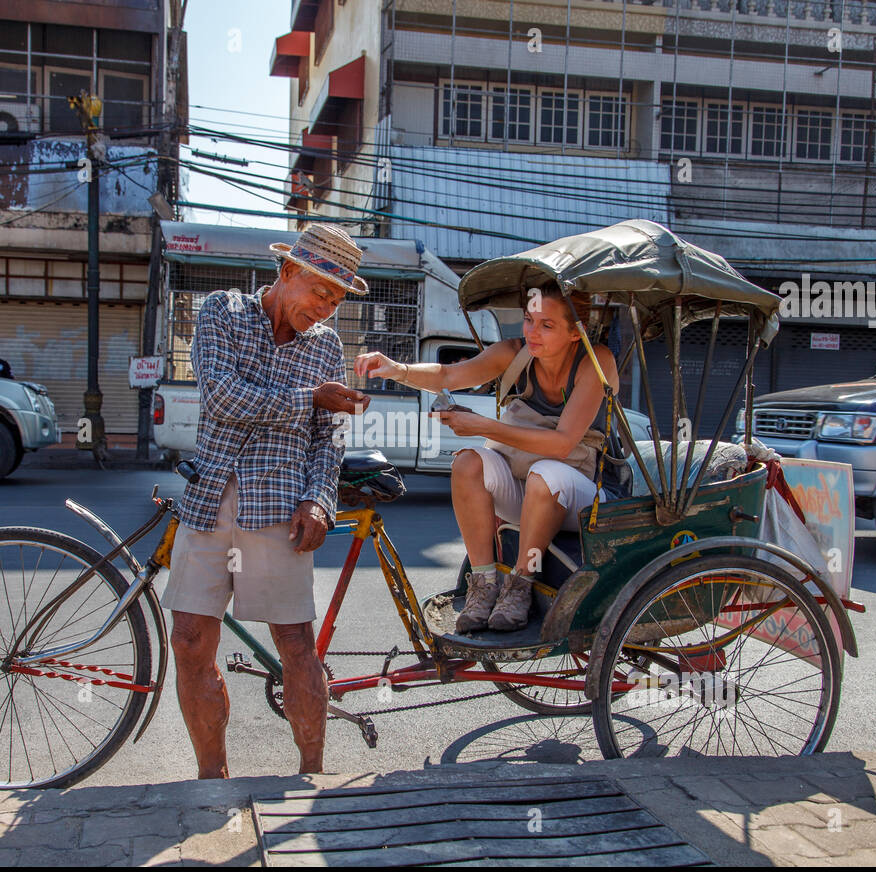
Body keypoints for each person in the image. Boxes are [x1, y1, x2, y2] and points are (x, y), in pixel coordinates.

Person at [162, 223, 370, 779]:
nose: (326, 308)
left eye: (337, 299)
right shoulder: (222, 313)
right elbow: (222, 397)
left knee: (296, 645)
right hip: (208, 499)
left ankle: (312, 774)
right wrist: (311, 398)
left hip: (280, 508)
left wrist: (322, 500)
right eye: (319, 291)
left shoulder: (326, 347)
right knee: (188, 642)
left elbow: (331, 436)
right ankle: (213, 778)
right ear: (286, 272)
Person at [355, 285, 620, 632]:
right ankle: (483, 585)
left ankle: (520, 586)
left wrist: (484, 426)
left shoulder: (596, 361)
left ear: (575, 332)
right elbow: (448, 376)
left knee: (545, 473)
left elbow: (561, 444)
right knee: (466, 462)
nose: (531, 333)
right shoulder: (515, 353)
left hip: (580, 497)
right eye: (528, 320)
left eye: (547, 325)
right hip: (526, 491)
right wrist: (396, 369)